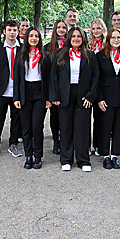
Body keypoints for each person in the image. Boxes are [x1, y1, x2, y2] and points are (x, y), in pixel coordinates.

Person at [50, 27, 99, 172]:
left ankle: (83, 160)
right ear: (69, 38)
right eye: (73, 36)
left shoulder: (90, 55)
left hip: (83, 95)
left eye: (79, 36)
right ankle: (66, 159)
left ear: (83, 38)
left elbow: (96, 76)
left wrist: (91, 96)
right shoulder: (60, 53)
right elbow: (54, 76)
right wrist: (55, 97)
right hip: (65, 94)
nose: (76, 39)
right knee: (65, 128)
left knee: (82, 129)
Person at [14, 27, 52, 169]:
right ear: (27, 38)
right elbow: (17, 78)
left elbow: (48, 79)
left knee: (37, 126)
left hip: (39, 93)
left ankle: (38, 156)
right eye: (31, 36)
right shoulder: (21, 55)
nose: (34, 38)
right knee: (26, 127)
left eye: (36, 36)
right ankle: (28, 155)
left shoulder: (45, 55)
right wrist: (16, 97)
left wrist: (49, 97)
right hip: (25, 93)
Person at [96, 28, 120, 170]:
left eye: (118, 38)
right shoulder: (100, 56)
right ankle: (105, 154)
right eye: (113, 38)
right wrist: (99, 98)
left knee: (119, 128)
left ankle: (115, 155)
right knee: (105, 127)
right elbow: (97, 79)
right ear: (108, 40)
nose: (116, 40)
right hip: (106, 98)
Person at [0, 20, 22, 159]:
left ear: (17, 32)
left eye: (14, 30)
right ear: (5, 32)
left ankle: (13, 144)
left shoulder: (22, 48)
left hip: (17, 91)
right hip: (2, 91)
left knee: (16, 119)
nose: (12, 32)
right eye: (9, 30)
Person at [44, 19, 69, 154]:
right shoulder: (48, 47)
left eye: (63, 27)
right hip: (52, 85)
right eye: (58, 27)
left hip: (66, 85)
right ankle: (56, 141)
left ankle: (66, 140)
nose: (61, 30)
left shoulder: (71, 45)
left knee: (65, 115)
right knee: (54, 116)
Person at [87, 18, 107, 155]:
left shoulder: (107, 45)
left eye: (98, 28)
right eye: (93, 29)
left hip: (103, 84)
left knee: (100, 118)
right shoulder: (87, 45)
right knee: (85, 118)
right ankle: (86, 145)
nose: (96, 31)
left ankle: (99, 145)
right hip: (89, 85)